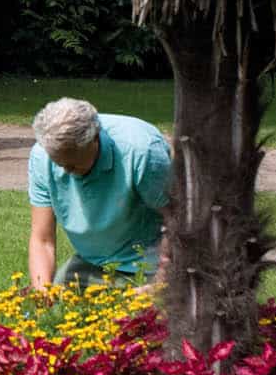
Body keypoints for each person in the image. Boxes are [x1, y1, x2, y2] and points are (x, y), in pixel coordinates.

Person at [27, 97, 172, 289]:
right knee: (56, 311)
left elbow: (178, 222)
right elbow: (42, 239)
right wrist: (42, 293)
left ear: (95, 138)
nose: (66, 171)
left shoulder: (143, 152)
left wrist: (160, 284)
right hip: (92, 262)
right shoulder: (42, 156)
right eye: (59, 164)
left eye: (73, 164)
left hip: (148, 263)